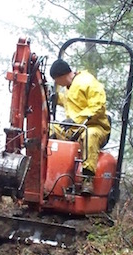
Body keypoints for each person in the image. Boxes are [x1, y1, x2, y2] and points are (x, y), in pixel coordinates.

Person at [49, 58, 110, 196]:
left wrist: (76, 120)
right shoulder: (69, 87)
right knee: (48, 129)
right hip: (75, 128)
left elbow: (98, 106)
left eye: (57, 80)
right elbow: (70, 101)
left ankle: (87, 179)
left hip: (95, 126)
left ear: (61, 76)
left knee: (89, 135)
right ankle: (49, 172)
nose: (57, 84)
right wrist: (55, 98)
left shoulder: (87, 81)